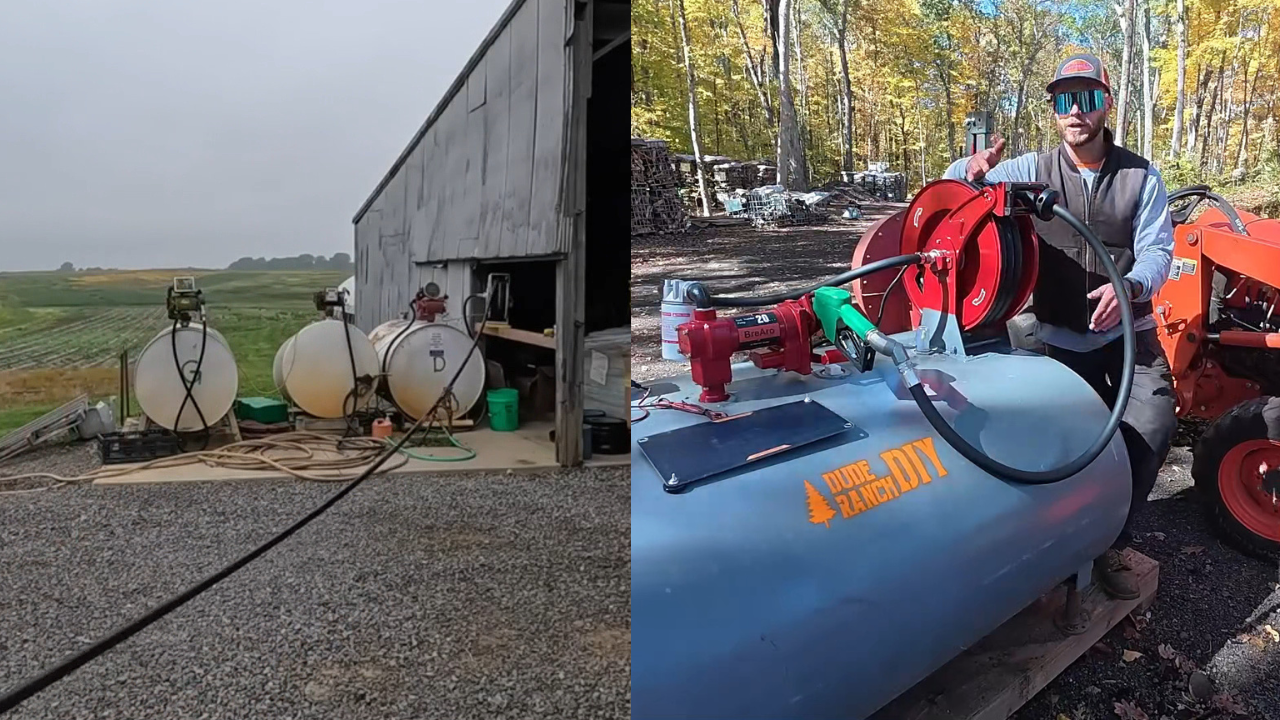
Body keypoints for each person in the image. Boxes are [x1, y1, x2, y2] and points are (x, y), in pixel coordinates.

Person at [941, 52, 1178, 601]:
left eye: (1088, 98)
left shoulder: (1141, 176)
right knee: (1051, 438)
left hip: (1127, 333)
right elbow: (955, 196)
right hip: (1054, 335)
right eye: (1065, 100)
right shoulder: (1028, 171)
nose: (1076, 111)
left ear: (1106, 104)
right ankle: (1054, 543)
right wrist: (967, 171)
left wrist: (1130, 291)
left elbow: (1159, 253)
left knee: (1153, 424)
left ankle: (1114, 540)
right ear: (1054, 110)